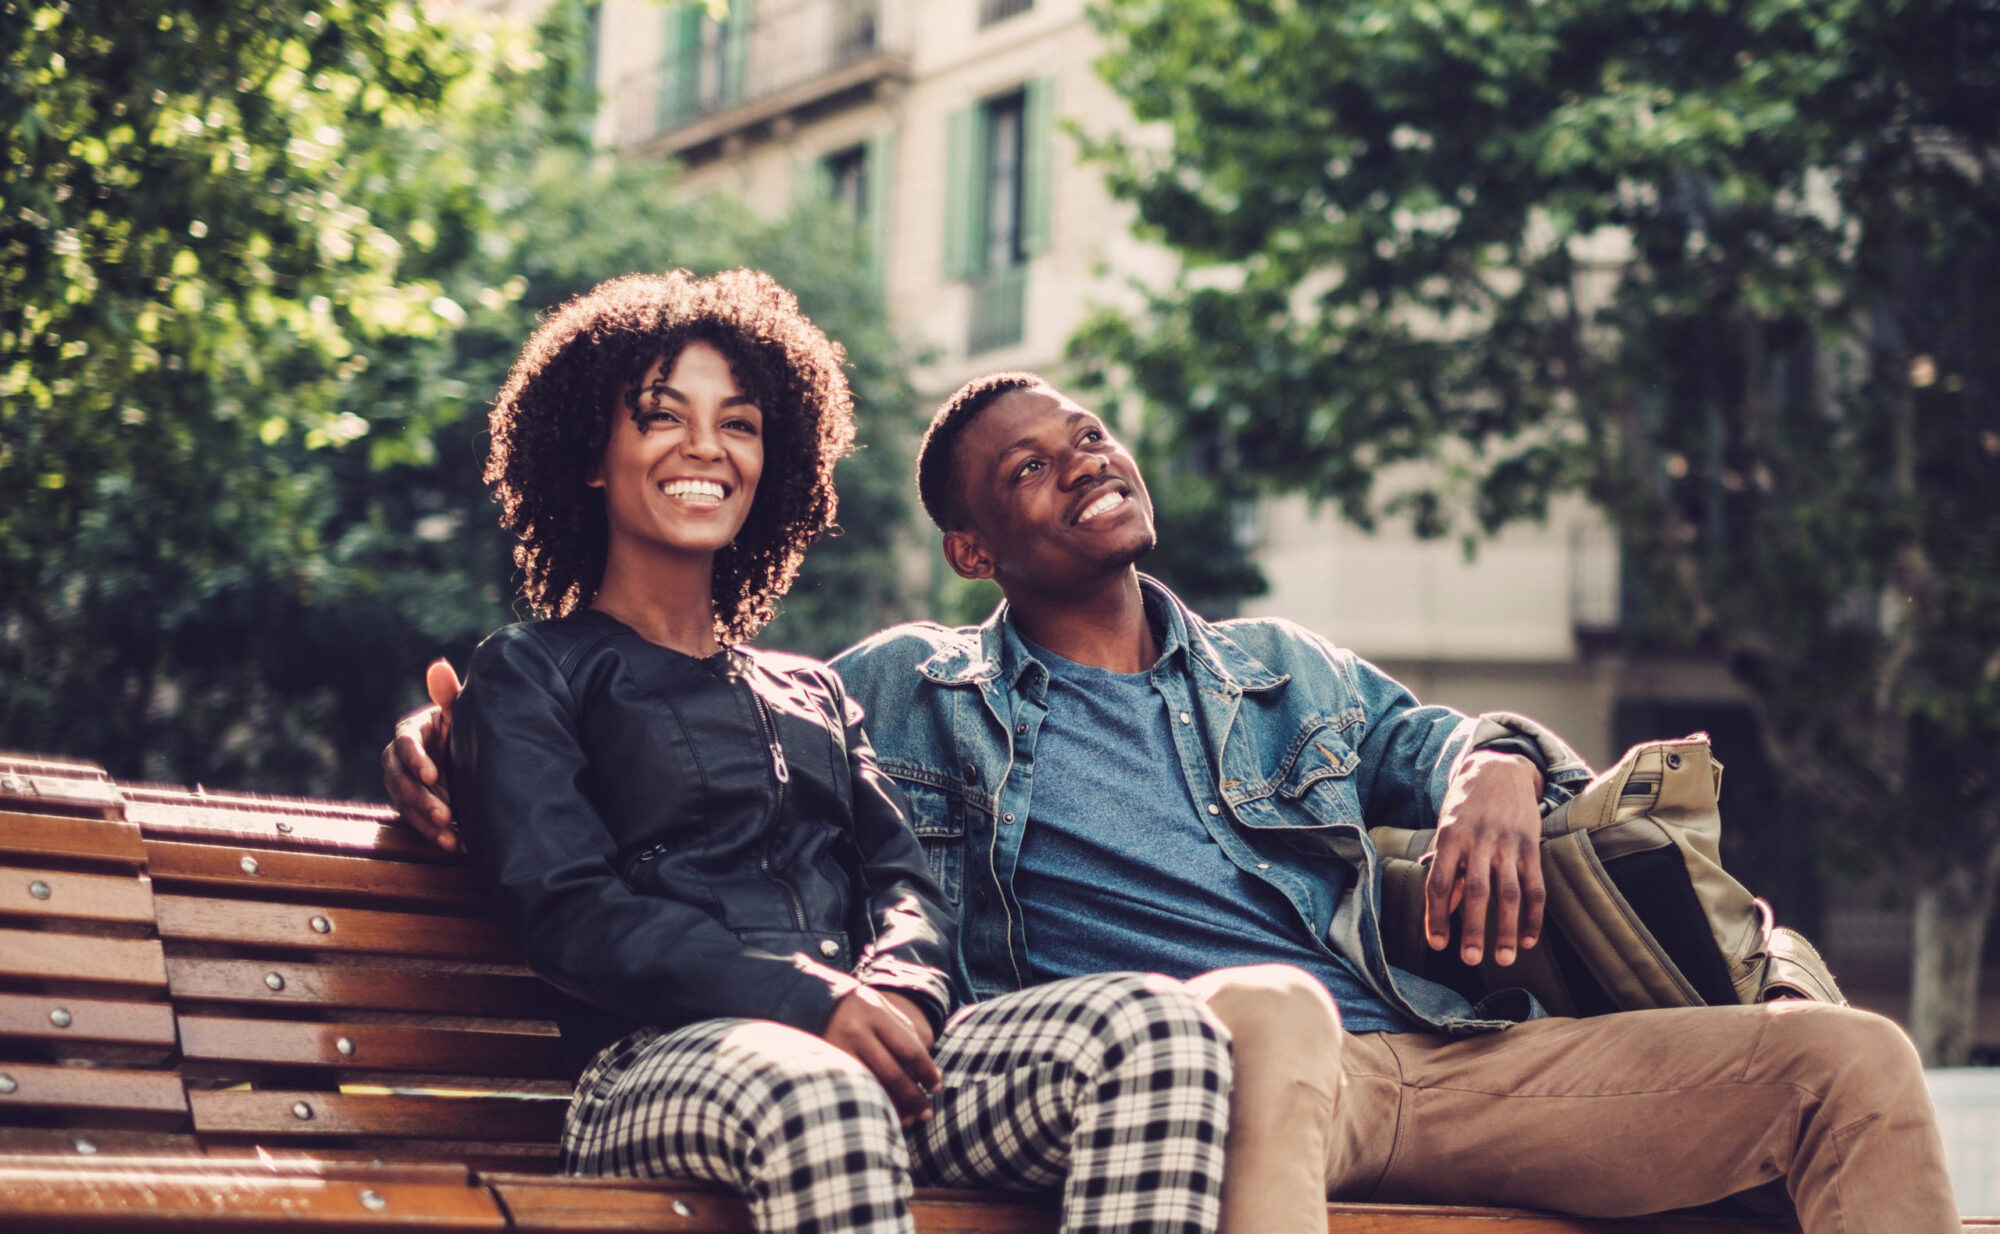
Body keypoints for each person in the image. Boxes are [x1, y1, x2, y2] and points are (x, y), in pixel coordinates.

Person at [393, 367, 1960, 1234]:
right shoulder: (906, 687)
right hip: (1236, 1072)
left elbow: (1447, 740)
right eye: (1027, 472)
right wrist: (444, 747)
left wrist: (1496, 761)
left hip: (1451, 1059)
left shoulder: (1283, 670)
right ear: (975, 553)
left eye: (1087, 434)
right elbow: (665, 723)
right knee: (1266, 1008)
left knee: (1852, 1064)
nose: (1080, 461)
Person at [447, 281, 1231, 1234]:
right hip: (653, 1070)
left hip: (865, 1050)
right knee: (823, 1093)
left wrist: (897, 990)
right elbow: (569, 910)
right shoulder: (531, 672)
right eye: (662, 417)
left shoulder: (809, 690)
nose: (705, 447)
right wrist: (809, 1002)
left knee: (1160, 1032)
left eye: (737, 423)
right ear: (591, 459)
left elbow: (903, 883)